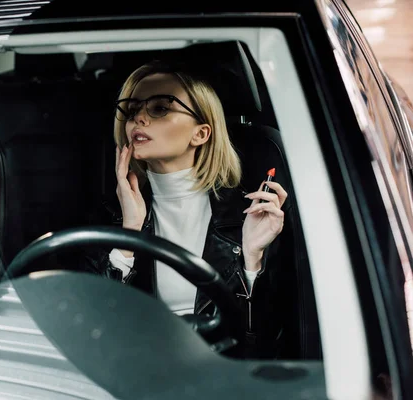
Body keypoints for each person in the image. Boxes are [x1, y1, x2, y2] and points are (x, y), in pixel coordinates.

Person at [86, 59, 289, 359]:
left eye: (160, 108)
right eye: (131, 110)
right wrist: (129, 232)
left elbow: (263, 342)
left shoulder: (248, 217)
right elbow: (95, 335)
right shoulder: (108, 216)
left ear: (201, 134)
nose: (138, 118)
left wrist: (251, 262)